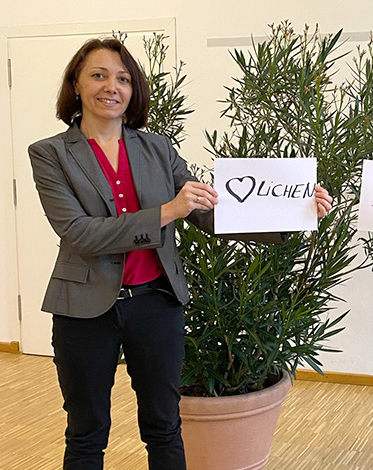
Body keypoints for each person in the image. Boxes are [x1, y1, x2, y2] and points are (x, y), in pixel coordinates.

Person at [28, 38, 333, 470]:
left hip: (156, 303)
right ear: (76, 84)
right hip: (82, 310)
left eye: (123, 79)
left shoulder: (157, 148)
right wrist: (167, 211)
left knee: (165, 426)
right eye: (98, 75)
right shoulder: (51, 153)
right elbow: (80, 233)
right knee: (86, 432)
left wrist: (292, 212)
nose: (111, 87)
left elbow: (207, 213)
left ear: (133, 90)